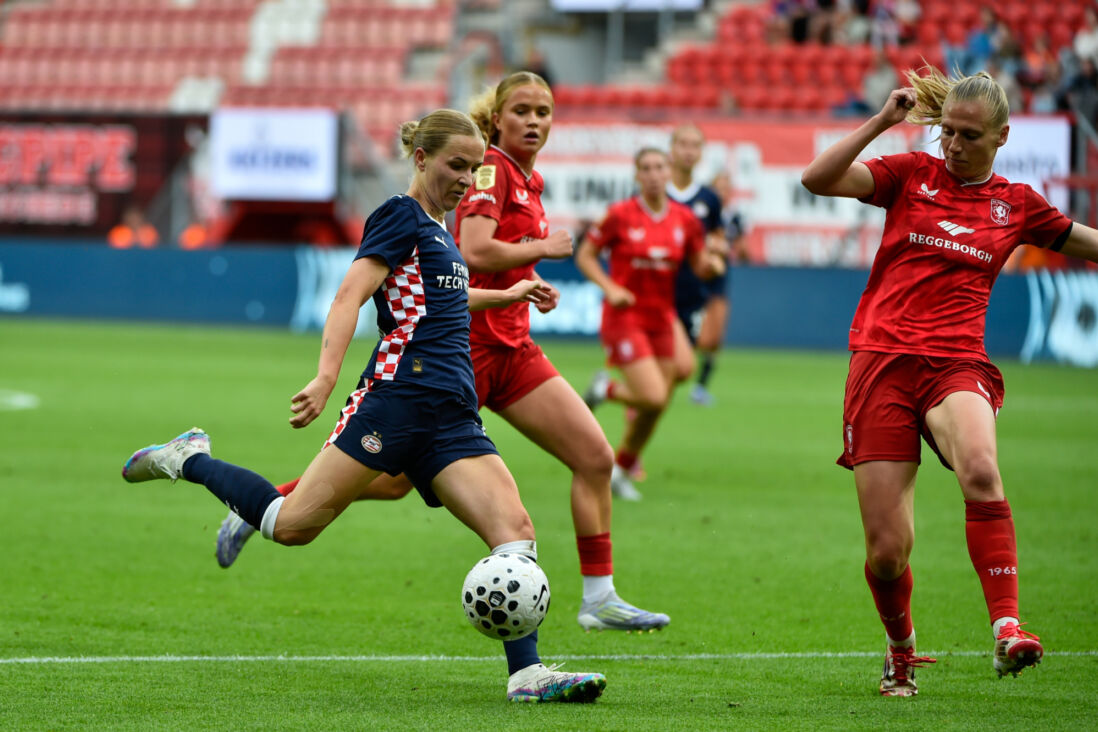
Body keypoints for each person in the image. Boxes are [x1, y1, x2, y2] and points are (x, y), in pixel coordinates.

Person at [121, 109, 607, 704]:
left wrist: (503, 293)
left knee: (514, 535)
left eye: (475, 167)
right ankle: (188, 458)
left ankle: (526, 676)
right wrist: (327, 377)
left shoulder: (438, 231)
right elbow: (352, 293)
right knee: (291, 525)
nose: (465, 178)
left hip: (451, 413)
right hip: (396, 399)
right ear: (421, 158)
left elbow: (440, 299)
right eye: (456, 165)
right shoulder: (398, 216)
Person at [215, 72, 671, 634]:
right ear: (496, 118)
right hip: (453, 357)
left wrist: (511, 292)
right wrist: (541, 251)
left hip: (505, 348)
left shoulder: (515, 185)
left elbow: (449, 280)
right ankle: (261, 501)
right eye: (522, 110)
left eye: (544, 111)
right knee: (391, 479)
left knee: (570, 476)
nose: (534, 121)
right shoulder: (482, 175)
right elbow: (460, 254)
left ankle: (584, 613)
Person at [800, 67, 1098, 696]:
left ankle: (1007, 627)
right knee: (888, 551)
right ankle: (901, 650)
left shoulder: (1017, 205)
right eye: (948, 133)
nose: (955, 145)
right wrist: (883, 121)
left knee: (983, 471)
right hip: (880, 362)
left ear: (1002, 136)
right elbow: (816, 178)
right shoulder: (908, 174)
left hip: (956, 362)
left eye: (969, 135)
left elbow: (1085, 242)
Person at [575, 148, 724, 501]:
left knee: (678, 376)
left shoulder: (685, 219)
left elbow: (700, 263)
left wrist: (714, 265)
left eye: (660, 167)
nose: (654, 174)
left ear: (668, 172)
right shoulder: (620, 215)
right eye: (646, 168)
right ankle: (606, 392)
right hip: (626, 316)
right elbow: (585, 255)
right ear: (637, 176)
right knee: (655, 397)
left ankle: (622, 467)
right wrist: (609, 287)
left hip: (663, 316)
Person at [663, 124, 731, 408]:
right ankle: (639, 403)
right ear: (672, 149)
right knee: (666, 365)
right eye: (683, 144)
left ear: (701, 153)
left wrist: (716, 254)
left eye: (695, 146)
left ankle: (632, 397)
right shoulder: (656, 191)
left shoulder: (709, 199)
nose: (688, 151)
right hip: (656, 292)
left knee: (681, 368)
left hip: (692, 294)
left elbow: (719, 240)